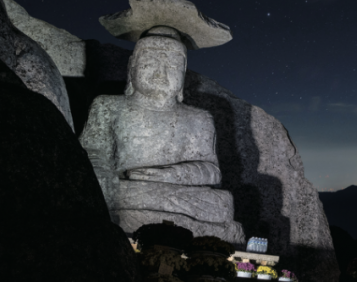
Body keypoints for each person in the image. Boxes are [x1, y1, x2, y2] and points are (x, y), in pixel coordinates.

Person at [80, 25, 244, 243]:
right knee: (100, 189)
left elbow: (212, 171)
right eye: (150, 62)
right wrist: (101, 173)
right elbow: (91, 151)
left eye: (172, 65)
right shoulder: (107, 106)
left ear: (183, 73)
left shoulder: (199, 118)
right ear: (132, 67)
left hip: (177, 193)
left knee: (221, 202)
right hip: (125, 188)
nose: (161, 72)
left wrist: (172, 174)